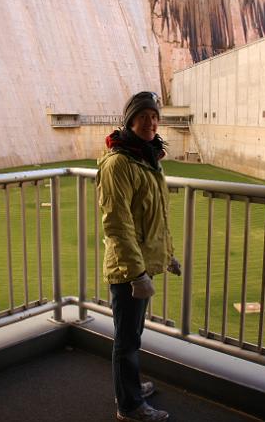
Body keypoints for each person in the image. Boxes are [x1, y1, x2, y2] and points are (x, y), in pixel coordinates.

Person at [96, 91, 182, 422]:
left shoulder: (146, 158)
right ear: (130, 120)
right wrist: (136, 275)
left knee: (132, 335)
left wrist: (166, 255)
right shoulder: (119, 163)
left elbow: (154, 216)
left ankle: (129, 388)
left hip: (141, 266)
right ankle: (129, 406)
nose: (150, 122)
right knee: (127, 340)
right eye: (143, 116)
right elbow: (117, 225)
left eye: (154, 116)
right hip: (128, 270)